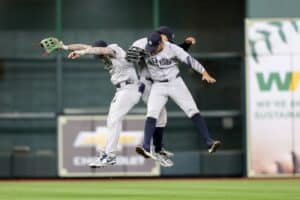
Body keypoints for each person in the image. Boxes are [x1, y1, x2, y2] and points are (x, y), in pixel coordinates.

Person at [132, 31, 221, 160]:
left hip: (175, 83)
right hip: (158, 85)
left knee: (192, 110)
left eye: (155, 47)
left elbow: (189, 59)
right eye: (150, 47)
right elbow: (130, 58)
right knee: (152, 112)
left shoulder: (172, 48)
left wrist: (203, 72)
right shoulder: (146, 48)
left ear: (162, 43)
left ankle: (209, 142)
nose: (152, 50)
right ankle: (145, 147)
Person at [126, 26, 198, 166]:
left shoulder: (162, 45)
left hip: (158, 84)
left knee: (161, 116)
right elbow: (129, 58)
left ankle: (156, 148)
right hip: (147, 83)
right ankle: (154, 149)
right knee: (158, 115)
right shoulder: (142, 43)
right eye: (167, 38)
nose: (168, 42)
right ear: (161, 35)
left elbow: (173, 52)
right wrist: (139, 54)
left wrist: (185, 45)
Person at [65, 40, 143, 167]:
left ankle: (110, 155)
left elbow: (102, 50)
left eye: (98, 52)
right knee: (111, 121)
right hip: (122, 90)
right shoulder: (99, 50)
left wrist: (83, 52)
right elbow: (85, 46)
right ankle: (108, 153)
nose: (99, 57)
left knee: (113, 120)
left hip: (130, 88)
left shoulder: (113, 49)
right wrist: (64, 46)